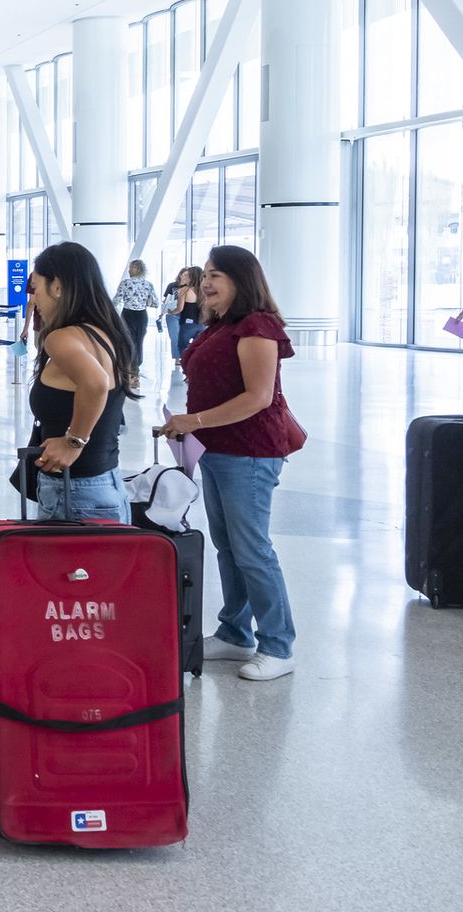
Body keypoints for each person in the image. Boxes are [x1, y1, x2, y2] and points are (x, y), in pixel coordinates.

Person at [157, 246, 304, 683]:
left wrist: (192, 420)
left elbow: (257, 397)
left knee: (252, 548)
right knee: (228, 546)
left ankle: (278, 644)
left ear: (243, 279)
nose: (205, 282)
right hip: (216, 449)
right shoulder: (222, 325)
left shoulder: (258, 325)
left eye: (216, 274)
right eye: (204, 274)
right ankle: (235, 631)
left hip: (250, 452)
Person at [25, 243, 136, 523]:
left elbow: (96, 383)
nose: (33, 297)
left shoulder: (62, 338)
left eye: (35, 288)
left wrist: (73, 442)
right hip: (105, 482)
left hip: (74, 491)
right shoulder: (104, 332)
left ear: (58, 287)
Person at [114, 259, 158, 388]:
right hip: (142, 315)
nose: (129, 270)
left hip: (128, 315)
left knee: (128, 343)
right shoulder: (148, 284)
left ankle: (129, 374)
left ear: (137, 269)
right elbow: (155, 303)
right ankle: (135, 375)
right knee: (139, 343)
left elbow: (116, 300)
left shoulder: (125, 283)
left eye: (131, 268)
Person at [172, 266, 205, 362]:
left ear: (191, 277)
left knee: (182, 346)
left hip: (187, 324)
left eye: (187, 275)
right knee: (199, 348)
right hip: (202, 324)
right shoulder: (204, 290)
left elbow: (179, 309)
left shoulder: (185, 290)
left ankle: (187, 369)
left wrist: (170, 311)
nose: (184, 277)